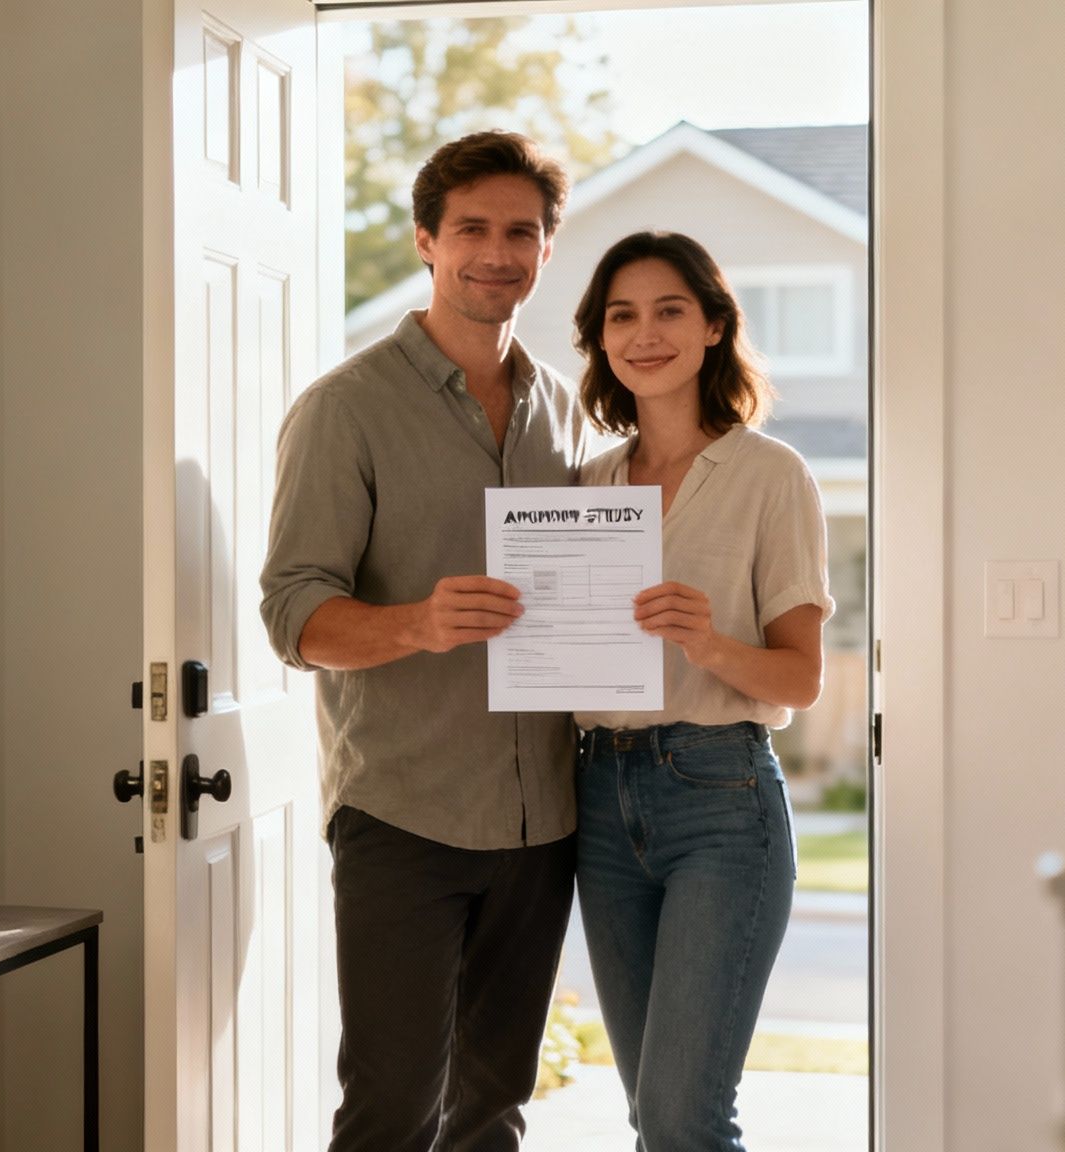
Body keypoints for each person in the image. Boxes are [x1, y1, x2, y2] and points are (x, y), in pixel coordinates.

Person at [259, 130, 592, 1151]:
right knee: (390, 1113)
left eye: (521, 232)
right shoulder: (344, 411)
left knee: (492, 1115)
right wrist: (417, 621)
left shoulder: (561, 411)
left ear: (546, 248)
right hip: (404, 818)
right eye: (472, 230)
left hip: (542, 825)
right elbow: (292, 616)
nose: (497, 252)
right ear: (424, 240)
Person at [569, 230, 833, 1151]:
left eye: (670, 310)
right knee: (651, 1111)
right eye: (622, 315)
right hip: (598, 799)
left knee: (686, 1117)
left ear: (715, 326)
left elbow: (800, 676)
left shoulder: (771, 475)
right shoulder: (587, 486)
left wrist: (710, 643)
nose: (646, 334)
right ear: (601, 340)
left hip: (721, 800)